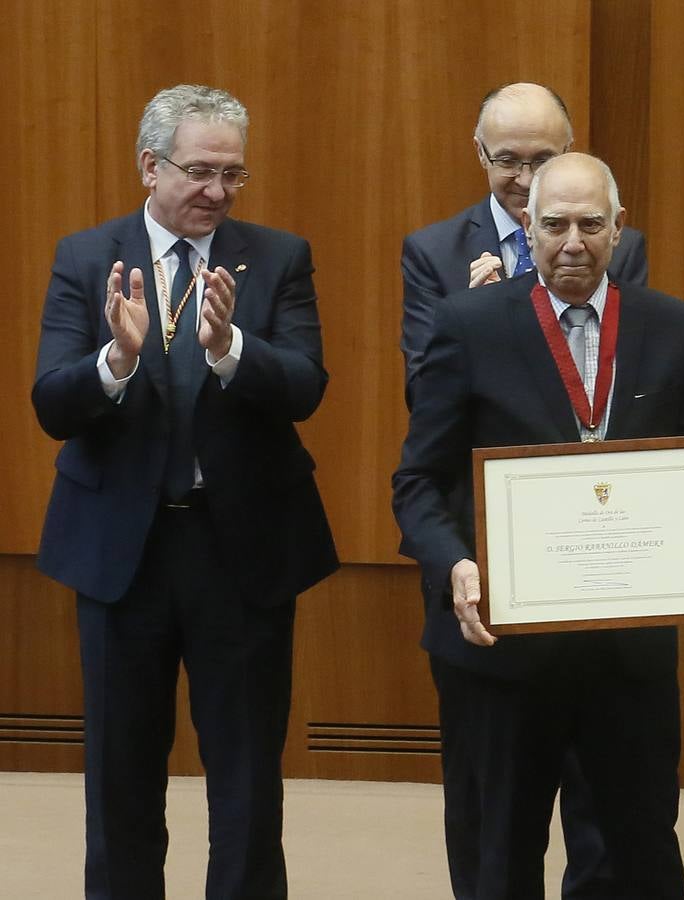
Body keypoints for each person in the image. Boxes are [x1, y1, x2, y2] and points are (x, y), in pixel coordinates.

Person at [393, 152, 684, 899]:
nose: (572, 242)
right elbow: (417, 482)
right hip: (505, 655)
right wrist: (453, 563)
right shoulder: (469, 325)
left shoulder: (670, 326)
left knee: (642, 854)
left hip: (628, 658)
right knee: (502, 858)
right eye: (554, 226)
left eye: (591, 224)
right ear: (528, 227)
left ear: (619, 231)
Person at [30, 84, 338, 899]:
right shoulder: (87, 257)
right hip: (120, 558)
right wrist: (117, 363)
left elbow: (306, 387)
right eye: (201, 171)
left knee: (245, 778)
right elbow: (51, 403)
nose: (218, 192)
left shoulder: (277, 257)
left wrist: (233, 345)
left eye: (234, 175)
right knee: (121, 776)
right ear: (149, 166)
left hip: (242, 552)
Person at [400, 81, 648, 403]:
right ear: (481, 153)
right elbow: (422, 395)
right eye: (507, 161)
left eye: (544, 160)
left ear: (568, 152)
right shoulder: (434, 254)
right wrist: (475, 323)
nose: (527, 180)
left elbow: (634, 381)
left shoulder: (618, 248)